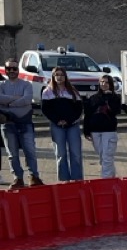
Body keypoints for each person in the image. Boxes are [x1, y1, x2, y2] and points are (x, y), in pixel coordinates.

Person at [0, 59, 43, 189]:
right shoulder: (1, 84)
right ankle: (17, 178)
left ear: (18, 70)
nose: (12, 71)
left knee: (30, 151)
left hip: (25, 122)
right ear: (5, 71)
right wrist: (18, 98)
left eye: (14, 68)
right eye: (9, 69)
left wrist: (8, 103)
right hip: (8, 124)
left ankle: (34, 177)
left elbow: (27, 99)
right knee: (12, 154)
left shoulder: (27, 84)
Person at [41, 66, 84, 182]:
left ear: (65, 77)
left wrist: (69, 120)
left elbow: (79, 109)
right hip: (57, 126)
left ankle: (77, 179)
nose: (59, 77)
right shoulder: (47, 92)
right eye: (57, 75)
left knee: (75, 153)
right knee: (61, 154)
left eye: (61, 75)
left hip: (72, 125)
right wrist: (57, 120)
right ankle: (64, 179)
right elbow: (46, 110)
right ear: (53, 77)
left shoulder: (72, 91)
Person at [83, 74, 122, 178]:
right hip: (95, 131)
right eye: (102, 82)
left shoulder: (115, 97)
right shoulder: (93, 98)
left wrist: (109, 98)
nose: (104, 84)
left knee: (107, 157)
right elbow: (87, 115)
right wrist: (86, 131)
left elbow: (115, 111)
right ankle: (111, 178)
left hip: (109, 131)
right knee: (102, 157)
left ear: (110, 84)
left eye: (106, 82)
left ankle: (106, 181)